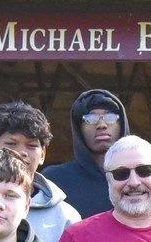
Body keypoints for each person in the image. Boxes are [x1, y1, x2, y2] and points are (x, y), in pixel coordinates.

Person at [0, 99, 80, 242]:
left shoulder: (65, 217)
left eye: (31, 146)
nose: (21, 152)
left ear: (43, 154)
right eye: (11, 144)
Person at [45, 87, 132, 218]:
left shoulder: (143, 176)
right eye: (90, 118)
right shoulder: (56, 179)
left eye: (110, 117)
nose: (101, 124)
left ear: (122, 125)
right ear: (79, 128)